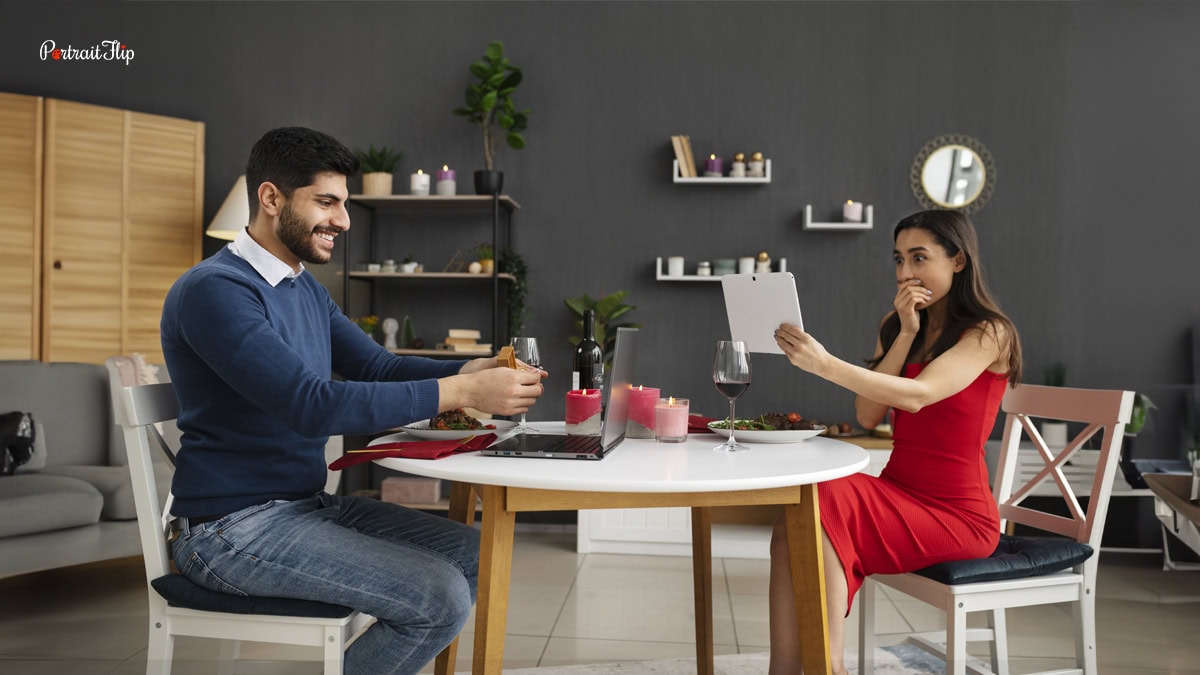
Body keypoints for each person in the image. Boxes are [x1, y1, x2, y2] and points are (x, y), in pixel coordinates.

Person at [160, 126, 546, 674]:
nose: (343, 219)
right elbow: (309, 404)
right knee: (438, 598)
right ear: (271, 199)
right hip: (230, 530)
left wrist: (468, 368)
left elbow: (378, 367)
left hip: (303, 508)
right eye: (326, 202)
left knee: (479, 556)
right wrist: (462, 392)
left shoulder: (303, 288)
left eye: (343, 203)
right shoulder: (215, 291)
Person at [768, 209, 1022, 674]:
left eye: (920, 258)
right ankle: (783, 669)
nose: (906, 273)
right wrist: (904, 333)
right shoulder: (901, 323)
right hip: (900, 492)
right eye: (899, 259)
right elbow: (867, 413)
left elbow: (920, 396)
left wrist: (824, 364)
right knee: (800, 502)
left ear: (958, 260)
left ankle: (829, 668)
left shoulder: (990, 332)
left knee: (823, 499)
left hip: (958, 515)